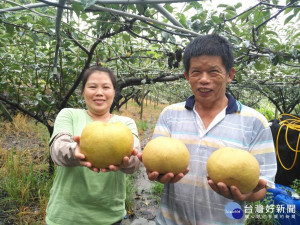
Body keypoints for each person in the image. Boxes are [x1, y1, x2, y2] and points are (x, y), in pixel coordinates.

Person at [139, 34, 277, 225]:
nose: (204, 80)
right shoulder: (170, 114)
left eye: (213, 72)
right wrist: (156, 173)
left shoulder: (255, 122)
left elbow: (263, 187)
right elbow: (156, 162)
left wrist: (246, 194)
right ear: (187, 76)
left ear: (230, 75)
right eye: (196, 72)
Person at [46, 66, 141, 225]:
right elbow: (57, 149)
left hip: (109, 216)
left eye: (106, 87)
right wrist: (75, 151)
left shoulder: (125, 123)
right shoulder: (69, 114)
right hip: (65, 215)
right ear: (83, 92)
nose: (99, 92)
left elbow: (135, 161)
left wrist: (127, 162)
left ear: (114, 92)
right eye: (92, 87)